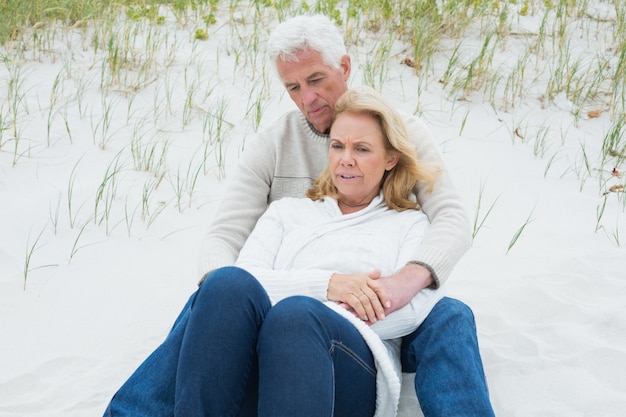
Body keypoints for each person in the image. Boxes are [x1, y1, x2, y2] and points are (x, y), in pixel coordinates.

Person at [104, 14, 495, 417]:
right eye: (293, 87)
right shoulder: (278, 161)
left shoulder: (402, 139)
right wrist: (239, 308)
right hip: (275, 310)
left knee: (449, 315)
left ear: (343, 67)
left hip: (369, 317)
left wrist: (402, 283)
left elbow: (450, 218)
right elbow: (225, 238)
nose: (307, 98)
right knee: (220, 290)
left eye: (315, 80)